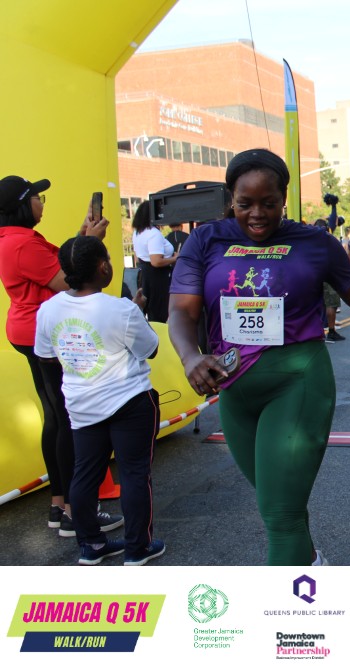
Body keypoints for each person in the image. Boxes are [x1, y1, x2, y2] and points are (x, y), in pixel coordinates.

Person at [168, 148, 350, 566]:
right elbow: (181, 310)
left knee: (281, 515)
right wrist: (188, 356)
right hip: (234, 390)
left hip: (296, 384)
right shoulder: (205, 240)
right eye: (245, 203)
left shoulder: (314, 242)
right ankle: (312, 572)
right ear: (230, 198)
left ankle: (284, 604)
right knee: (276, 503)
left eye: (268, 203)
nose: (257, 214)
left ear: (284, 198)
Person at [0, 175, 122, 537]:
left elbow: (57, 265)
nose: (41, 202)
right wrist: (92, 244)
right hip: (47, 335)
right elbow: (71, 280)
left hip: (28, 329)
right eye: (37, 197)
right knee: (68, 419)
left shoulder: (14, 239)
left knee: (55, 416)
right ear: (23, 205)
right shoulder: (23, 244)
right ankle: (74, 511)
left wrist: (81, 238)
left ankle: (60, 504)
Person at [35, 236, 163, 565]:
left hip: (81, 404)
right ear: (103, 267)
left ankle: (90, 546)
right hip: (130, 401)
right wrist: (137, 312)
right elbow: (150, 349)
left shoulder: (48, 310)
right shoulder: (121, 308)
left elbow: (45, 356)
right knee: (134, 473)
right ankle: (137, 549)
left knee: (84, 475)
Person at [131, 201, 177, 323]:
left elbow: (138, 257)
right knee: (160, 312)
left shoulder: (137, 232)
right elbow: (156, 261)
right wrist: (175, 258)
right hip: (158, 277)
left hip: (145, 274)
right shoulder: (153, 233)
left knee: (149, 311)